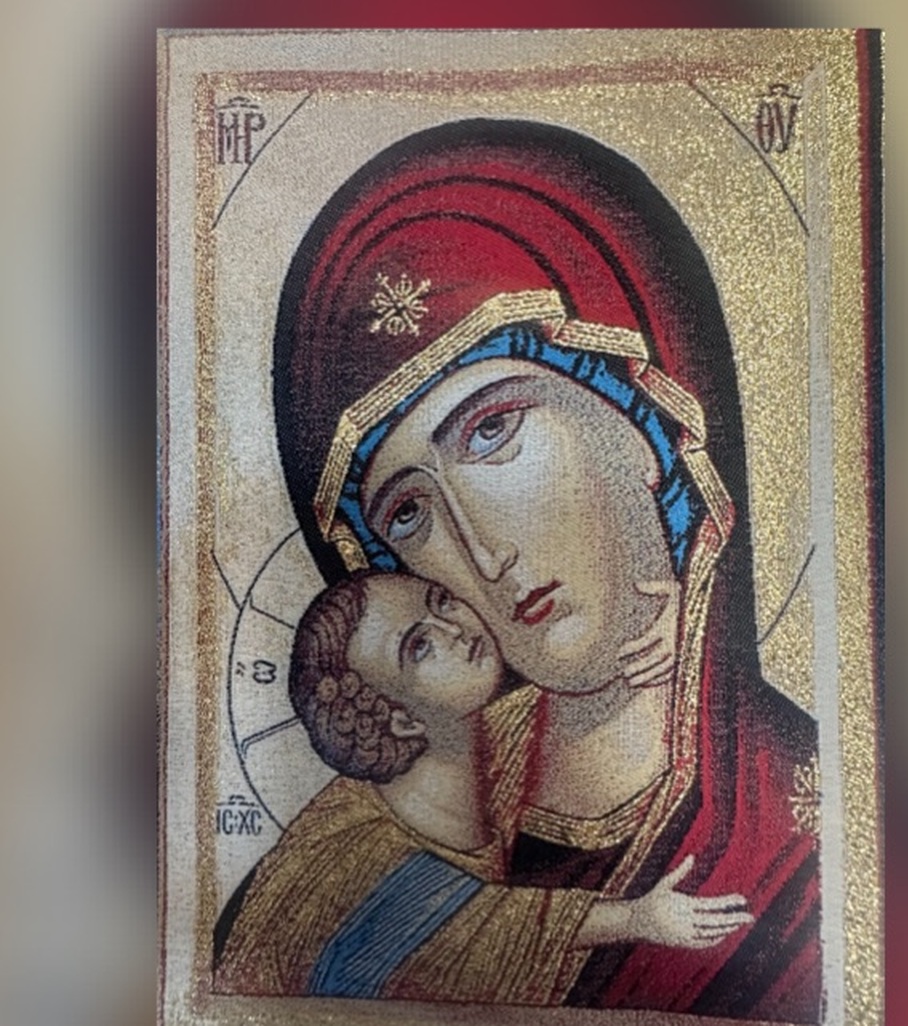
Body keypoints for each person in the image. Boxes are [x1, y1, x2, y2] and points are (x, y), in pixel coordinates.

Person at [262, 119, 822, 1021]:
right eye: (409, 513)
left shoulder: (812, 840)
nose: (483, 555)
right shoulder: (369, 852)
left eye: (493, 430)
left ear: (640, 416)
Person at [215, 571, 754, 1000]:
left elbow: (584, 700)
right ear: (400, 719)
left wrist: (684, 622)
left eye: (441, 601)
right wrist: (637, 918)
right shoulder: (355, 858)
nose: (456, 629)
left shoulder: (488, 734)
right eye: (420, 646)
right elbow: (471, 928)